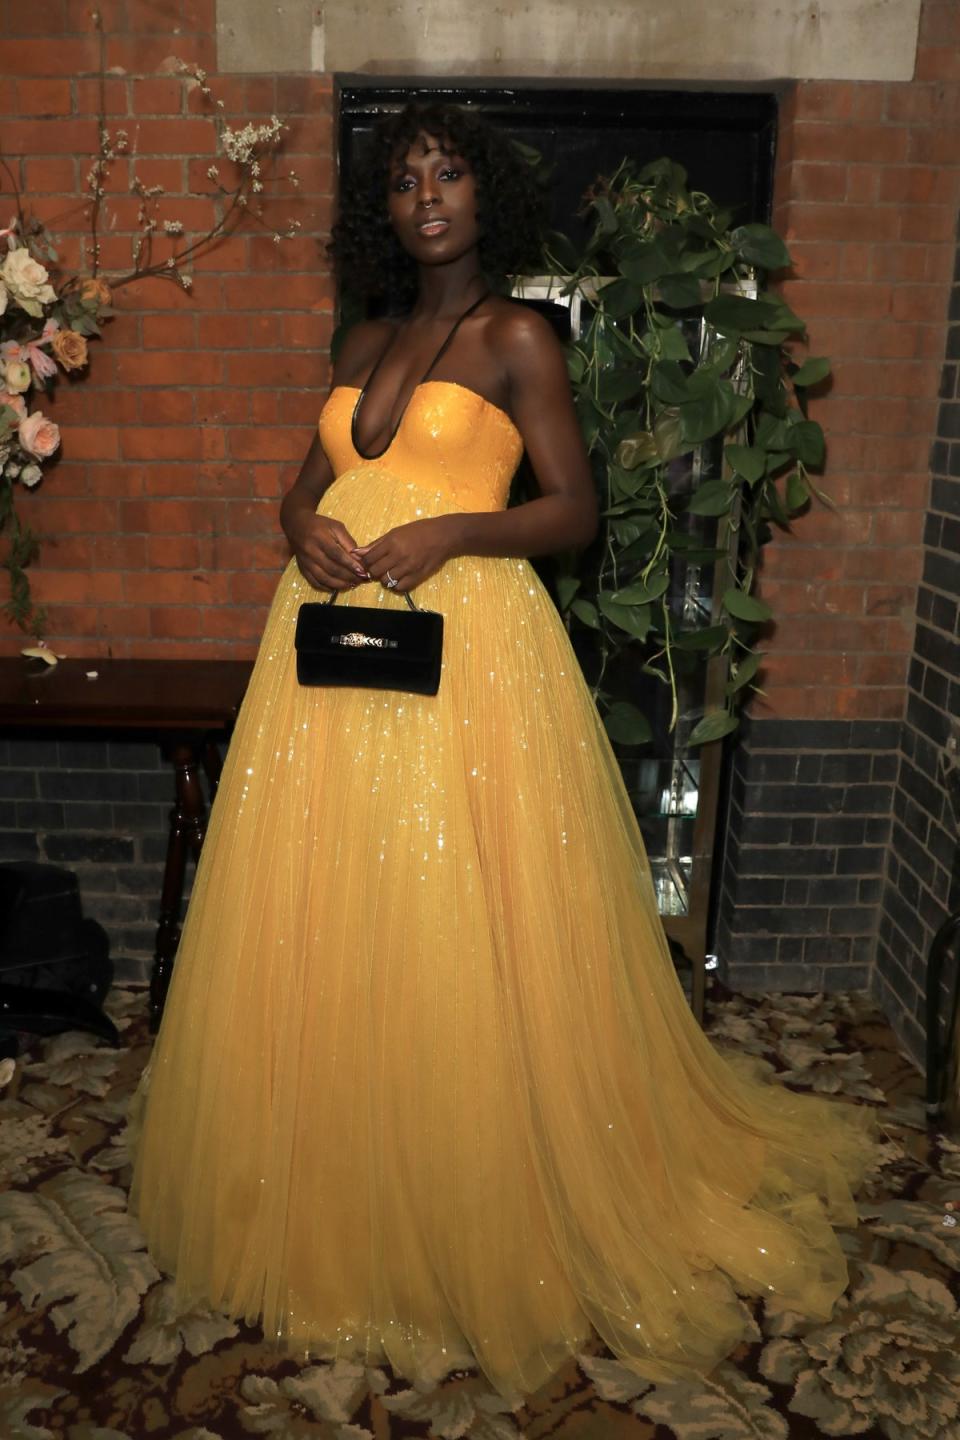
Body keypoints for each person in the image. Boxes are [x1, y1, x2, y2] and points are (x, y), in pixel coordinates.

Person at [127, 101, 880, 1401]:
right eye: (407, 177)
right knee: (332, 909)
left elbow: (574, 510)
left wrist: (450, 536)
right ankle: (335, 1178)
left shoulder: (517, 335)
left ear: (486, 199)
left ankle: (470, 1190)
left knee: (450, 910)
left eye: (450, 173)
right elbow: (314, 480)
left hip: (463, 652)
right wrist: (295, 519)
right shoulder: (366, 337)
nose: (428, 195)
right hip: (322, 655)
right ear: (389, 209)